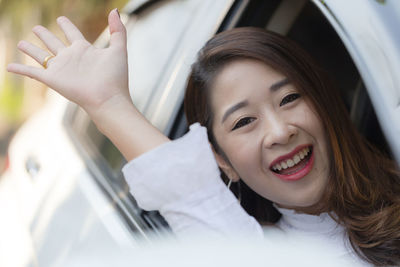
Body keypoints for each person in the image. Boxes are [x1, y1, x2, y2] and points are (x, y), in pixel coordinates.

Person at [7, 9, 400, 266]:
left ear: (327, 103)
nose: (280, 131)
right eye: (244, 122)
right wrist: (109, 103)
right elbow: (190, 195)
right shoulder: (262, 254)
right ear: (221, 160)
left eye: (290, 98)